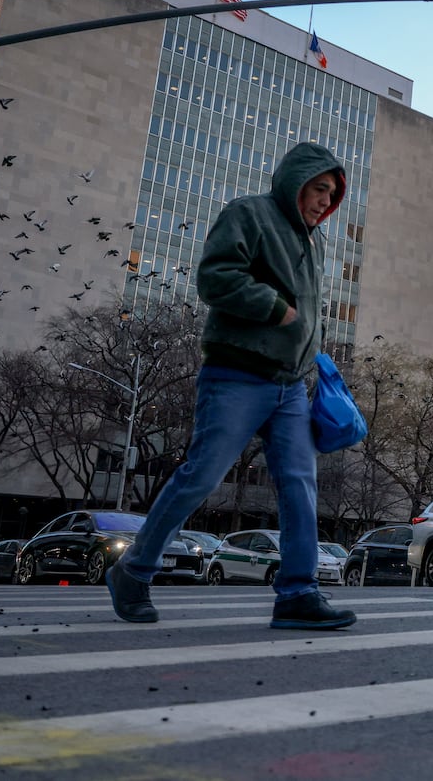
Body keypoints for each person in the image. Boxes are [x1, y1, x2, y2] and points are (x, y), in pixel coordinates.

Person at [107, 141, 356, 631]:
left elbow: (309, 313)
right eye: (319, 188)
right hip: (237, 375)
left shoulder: (315, 239)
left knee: (300, 487)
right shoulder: (249, 214)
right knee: (200, 476)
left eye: (333, 194)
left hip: (290, 386)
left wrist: (312, 359)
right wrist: (273, 308)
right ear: (295, 182)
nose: (326, 201)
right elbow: (215, 277)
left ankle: (298, 594)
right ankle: (133, 571)